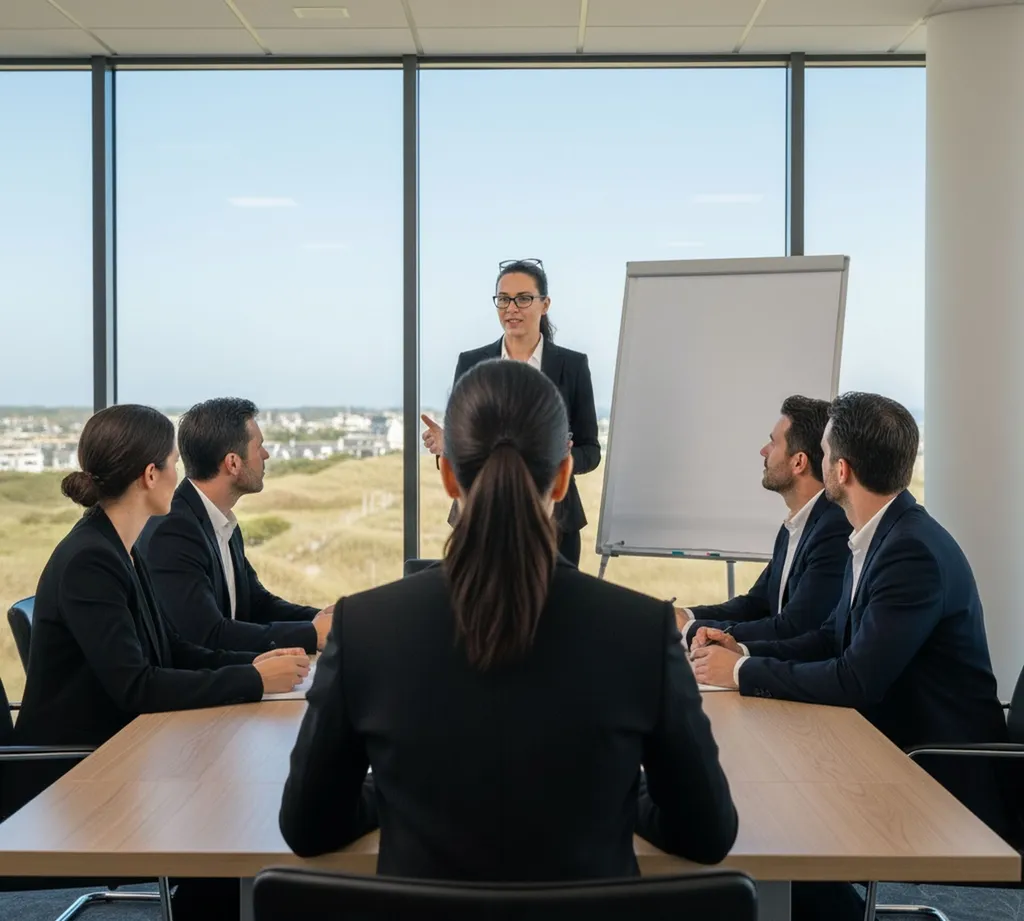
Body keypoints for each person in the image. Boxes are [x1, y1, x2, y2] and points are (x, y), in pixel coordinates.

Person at [280, 359, 737, 879]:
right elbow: (707, 834)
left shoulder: (364, 627)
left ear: (448, 475)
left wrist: (392, 793)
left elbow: (308, 827)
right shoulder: (643, 630)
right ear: (563, 477)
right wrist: (616, 792)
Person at [692, 392, 1010, 921]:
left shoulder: (911, 551)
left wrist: (744, 673)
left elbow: (856, 679)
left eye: (823, 453)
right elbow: (828, 637)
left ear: (840, 469)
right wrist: (742, 649)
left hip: (933, 774)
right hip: (889, 750)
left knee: (783, 826)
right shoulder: (882, 534)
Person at [5, 404, 309, 921]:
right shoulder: (90, 560)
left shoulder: (120, 547)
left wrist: (260, 664)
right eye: (173, 462)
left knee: (234, 799)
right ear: (151, 475)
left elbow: (174, 648)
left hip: (123, 751)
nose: (180, 474)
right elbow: (138, 687)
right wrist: (253, 680)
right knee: (229, 812)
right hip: (76, 775)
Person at [421, 259, 600, 566]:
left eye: (523, 299)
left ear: (545, 304)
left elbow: (591, 451)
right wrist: (448, 444)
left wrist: (564, 458)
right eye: (504, 299)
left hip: (556, 521)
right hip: (481, 518)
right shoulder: (471, 362)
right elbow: (464, 448)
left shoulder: (572, 366)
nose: (511, 308)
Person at [137, 398, 332, 655]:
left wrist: (326, 619)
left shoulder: (221, 520)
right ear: (233, 463)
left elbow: (256, 604)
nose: (265, 455)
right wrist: (312, 634)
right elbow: (207, 635)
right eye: (258, 447)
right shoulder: (173, 532)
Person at [679, 395, 850, 648]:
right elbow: (757, 604)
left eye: (773, 443)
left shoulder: (834, 529)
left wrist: (689, 630)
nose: (763, 451)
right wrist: (687, 616)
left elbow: (795, 628)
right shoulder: (794, 525)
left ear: (798, 462)